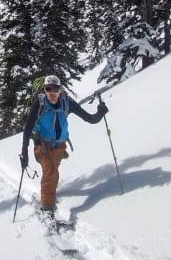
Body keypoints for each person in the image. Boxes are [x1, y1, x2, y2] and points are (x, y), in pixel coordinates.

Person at [20, 75, 108, 215]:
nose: (52, 92)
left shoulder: (67, 103)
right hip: (41, 144)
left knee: (52, 173)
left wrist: (100, 113)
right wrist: (24, 152)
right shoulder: (39, 104)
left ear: (60, 89)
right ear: (45, 89)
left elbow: (90, 119)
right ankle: (47, 209)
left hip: (59, 147)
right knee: (50, 171)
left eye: (56, 88)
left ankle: (48, 195)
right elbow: (28, 128)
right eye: (49, 89)